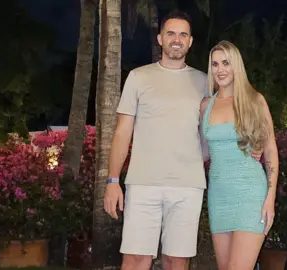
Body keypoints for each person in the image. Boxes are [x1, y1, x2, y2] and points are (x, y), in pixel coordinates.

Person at [103, 11, 261, 270]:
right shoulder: (138, 77)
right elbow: (122, 132)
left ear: (190, 42)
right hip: (143, 183)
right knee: (135, 259)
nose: (177, 39)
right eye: (171, 33)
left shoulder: (204, 82)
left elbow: (222, 125)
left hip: (188, 186)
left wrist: (248, 148)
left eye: (183, 34)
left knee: (177, 260)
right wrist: (112, 181)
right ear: (160, 39)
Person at [199, 40, 279, 270]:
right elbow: (203, 151)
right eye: (215, 64)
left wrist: (270, 198)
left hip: (250, 194)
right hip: (219, 196)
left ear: (237, 66)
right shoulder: (206, 105)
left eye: (226, 63)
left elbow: (271, 149)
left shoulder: (255, 101)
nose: (220, 69)